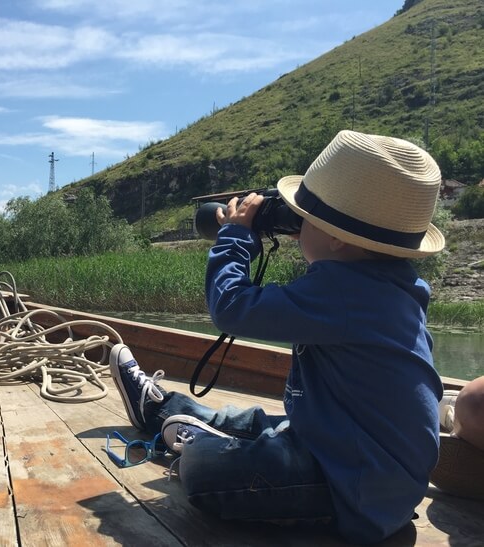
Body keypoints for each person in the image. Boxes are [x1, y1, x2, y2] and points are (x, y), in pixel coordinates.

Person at [109, 129, 446, 544]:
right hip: (364, 462)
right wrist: (312, 236)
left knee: (204, 468)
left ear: (338, 238)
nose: (296, 225)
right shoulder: (387, 286)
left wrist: (235, 237)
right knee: (252, 421)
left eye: (303, 218)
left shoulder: (343, 291)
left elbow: (231, 308)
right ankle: (159, 409)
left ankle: (198, 442)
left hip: (352, 493)